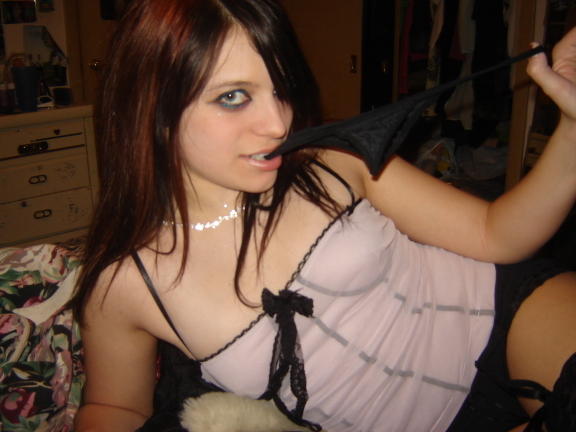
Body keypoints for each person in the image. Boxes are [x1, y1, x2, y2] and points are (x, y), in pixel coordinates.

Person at [73, 0, 576, 431]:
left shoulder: (332, 160)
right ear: (153, 110)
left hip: (500, 315)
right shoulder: (123, 285)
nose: (278, 123)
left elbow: (494, 235)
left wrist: (574, 127)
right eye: (233, 97)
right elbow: (115, 406)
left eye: (280, 88)